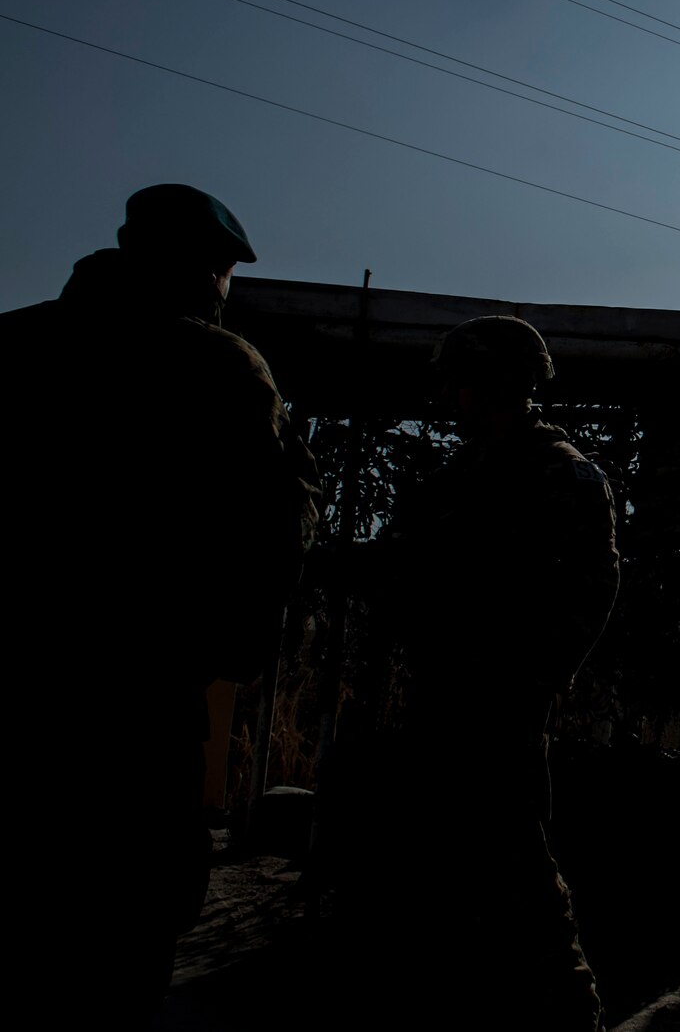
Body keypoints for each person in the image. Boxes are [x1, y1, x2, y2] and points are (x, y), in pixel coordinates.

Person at [0, 183, 319, 1025]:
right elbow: (277, 527)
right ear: (209, 269)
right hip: (136, 714)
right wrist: (225, 647)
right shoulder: (219, 367)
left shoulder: (14, 343)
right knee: (120, 941)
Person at [326, 315, 619, 1031]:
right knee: (437, 880)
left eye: (458, 380)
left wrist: (534, 681)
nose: (448, 394)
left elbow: (594, 585)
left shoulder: (562, 472)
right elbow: (403, 559)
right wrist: (334, 562)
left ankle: (571, 1017)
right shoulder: (458, 477)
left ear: (493, 382)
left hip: (501, 711)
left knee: (518, 875)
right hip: (442, 697)